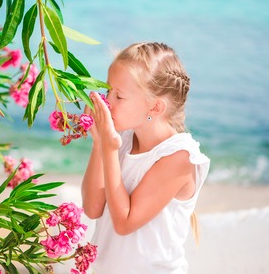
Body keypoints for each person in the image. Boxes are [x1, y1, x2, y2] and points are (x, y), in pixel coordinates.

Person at [82, 42, 210, 273]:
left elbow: (124, 222)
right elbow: (92, 208)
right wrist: (99, 143)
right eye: (107, 90)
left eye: (119, 97)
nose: (107, 102)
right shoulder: (122, 139)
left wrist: (110, 148)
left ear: (155, 108)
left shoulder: (179, 157)